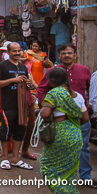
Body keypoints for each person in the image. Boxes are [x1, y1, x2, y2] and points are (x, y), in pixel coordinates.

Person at [36, 43, 94, 186]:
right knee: (60, 148)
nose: (67, 55)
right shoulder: (52, 72)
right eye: (64, 53)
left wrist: (86, 105)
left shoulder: (84, 70)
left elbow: (88, 89)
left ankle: (85, 177)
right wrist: (48, 106)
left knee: (83, 147)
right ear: (58, 55)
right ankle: (64, 177)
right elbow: (41, 90)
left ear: (75, 55)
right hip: (58, 119)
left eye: (70, 53)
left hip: (80, 117)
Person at [39, 67, 88, 193]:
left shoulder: (54, 93)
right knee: (69, 171)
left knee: (48, 168)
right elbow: (85, 118)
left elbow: (45, 114)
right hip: (75, 135)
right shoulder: (78, 96)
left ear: (52, 80)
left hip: (59, 134)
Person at [0, 42, 34, 170]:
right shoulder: (2, 66)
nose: (17, 53)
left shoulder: (23, 67)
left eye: (18, 51)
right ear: (8, 52)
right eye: (14, 51)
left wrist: (28, 83)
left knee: (19, 132)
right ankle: (5, 158)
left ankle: (15, 159)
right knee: (6, 132)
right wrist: (12, 80)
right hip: (8, 104)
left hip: (22, 105)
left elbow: (28, 84)